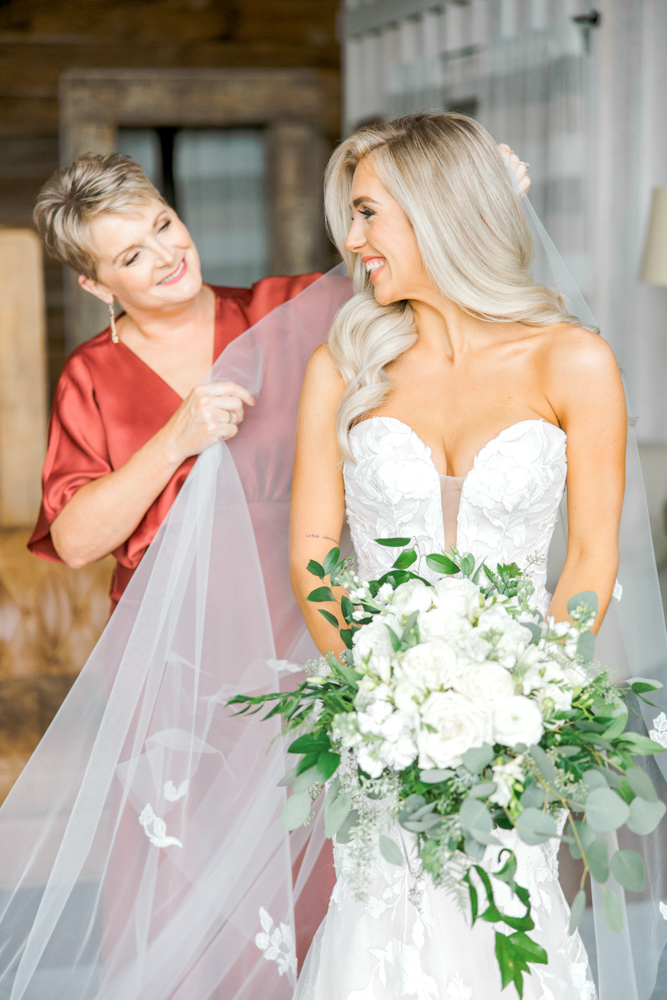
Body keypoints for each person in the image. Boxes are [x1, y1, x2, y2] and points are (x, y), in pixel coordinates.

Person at [289, 112, 627, 998]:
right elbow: (315, 550)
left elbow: (591, 555)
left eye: (367, 214)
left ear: (438, 211)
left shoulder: (573, 360)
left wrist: (535, 702)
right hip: (375, 720)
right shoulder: (343, 367)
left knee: (506, 927)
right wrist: (374, 702)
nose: (349, 240)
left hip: (518, 727)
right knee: (379, 929)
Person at [28, 153, 320, 610]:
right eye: (133, 256)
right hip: (167, 634)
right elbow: (75, 545)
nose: (167, 257)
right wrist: (172, 443)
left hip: (300, 608)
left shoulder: (284, 311)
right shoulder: (90, 374)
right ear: (99, 287)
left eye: (163, 225)